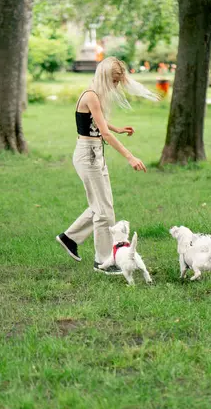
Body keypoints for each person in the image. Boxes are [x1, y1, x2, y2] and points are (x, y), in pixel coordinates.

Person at [56, 57, 158, 274]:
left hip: (94, 153)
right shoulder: (91, 95)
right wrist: (130, 157)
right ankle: (103, 261)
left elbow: (98, 120)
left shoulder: (95, 96)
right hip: (88, 155)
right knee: (104, 212)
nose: (115, 85)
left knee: (102, 206)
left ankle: (69, 237)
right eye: (113, 81)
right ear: (104, 76)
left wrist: (118, 128)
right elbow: (104, 133)